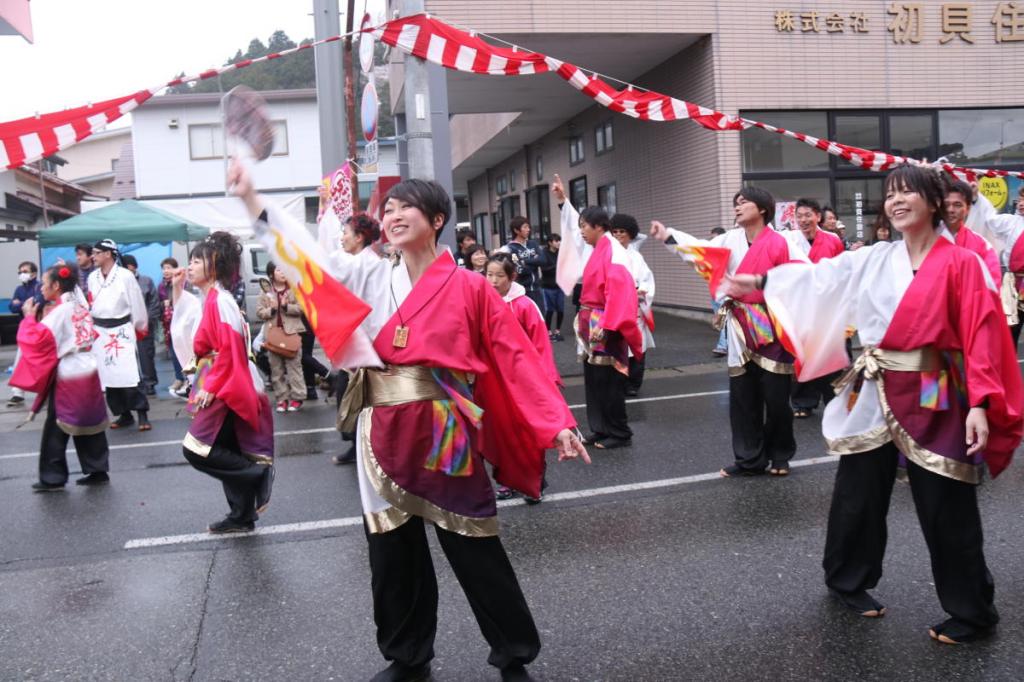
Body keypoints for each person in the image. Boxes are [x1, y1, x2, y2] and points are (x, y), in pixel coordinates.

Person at [231, 158, 587, 682]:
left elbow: (515, 358)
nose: (393, 214)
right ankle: (408, 656)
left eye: (406, 206)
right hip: (379, 427)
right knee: (391, 550)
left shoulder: (470, 287)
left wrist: (554, 422)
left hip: (444, 424)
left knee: (471, 540)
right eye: (390, 208)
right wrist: (253, 203)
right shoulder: (369, 272)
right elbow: (305, 260)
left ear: (437, 218)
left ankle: (514, 651)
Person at [724, 164, 1022, 645]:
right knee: (856, 492)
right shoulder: (874, 258)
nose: (897, 201)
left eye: (908, 192)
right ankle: (847, 579)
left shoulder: (962, 263)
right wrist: (759, 284)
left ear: (931, 202)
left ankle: (972, 610)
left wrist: (981, 403)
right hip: (872, 381)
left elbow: (982, 333)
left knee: (945, 498)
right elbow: (818, 280)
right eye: (890, 194)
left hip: (932, 384)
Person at [651, 185, 807, 477]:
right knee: (743, 396)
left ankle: (780, 455)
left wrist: (764, 282)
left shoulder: (782, 242)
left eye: (744, 202)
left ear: (762, 208)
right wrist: (668, 236)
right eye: (736, 202)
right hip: (738, 325)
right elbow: (700, 251)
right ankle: (749, 458)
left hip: (772, 325)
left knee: (776, 399)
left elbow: (803, 274)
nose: (737, 206)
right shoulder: (729, 239)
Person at [171, 232, 275, 534]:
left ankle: (254, 473)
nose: (189, 267)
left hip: (226, 380)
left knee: (196, 448)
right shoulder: (212, 298)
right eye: (189, 261)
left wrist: (210, 386)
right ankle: (241, 514)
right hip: (224, 378)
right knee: (227, 444)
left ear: (214, 265)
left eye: (196, 261)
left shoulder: (220, 301)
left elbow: (229, 351)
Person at [553, 174, 642, 450]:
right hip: (591, 318)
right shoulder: (597, 246)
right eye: (580, 226)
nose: (580, 231)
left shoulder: (613, 251)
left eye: (584, 226)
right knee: (593, 378)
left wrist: (609, 322)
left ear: (599, 227)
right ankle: (600, 428)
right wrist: (563, 202)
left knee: (610, 378)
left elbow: (621, 291)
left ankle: (619, 431)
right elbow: (573, 230)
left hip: (605, 321)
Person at [11, 264, 111, 492]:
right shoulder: (79, 305)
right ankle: (97, 468)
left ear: (56, 286)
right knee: (89, 420)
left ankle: (52, 476)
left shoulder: (61, 310)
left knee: (57, 423)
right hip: (89, 367)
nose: (42, 288)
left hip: (69, 372)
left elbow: (37, 339)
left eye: (45, 284)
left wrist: (28, 318)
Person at [485, 253, 561, 503]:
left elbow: (540, 345)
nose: (493, 281)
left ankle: (535, 480)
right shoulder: (483, 303)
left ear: (512, 277)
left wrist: (544, 379)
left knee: (529, 434)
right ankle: (507, 480)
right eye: (489, 275)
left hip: (524, 380)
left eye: (499, 276)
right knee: (502, 432)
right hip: (494, 379)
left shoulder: (525, 305)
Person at [332, 212, 383, 466]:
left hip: (367, 342)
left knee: (355, 396)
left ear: (360, 237)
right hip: (356, 340)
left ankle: (364, 446)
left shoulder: (366, 263)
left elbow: (331, 263)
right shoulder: (363, 261)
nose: (342, 238)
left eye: (346, 234)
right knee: (349, 394)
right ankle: (357, 445)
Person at [789, 198, 845, 419]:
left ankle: (835, 400)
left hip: (827, 307)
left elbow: (842, 272)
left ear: (817, 217)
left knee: (831, 355)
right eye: (799, 216)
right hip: (801, 307)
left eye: (807, 215)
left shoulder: (832, 240)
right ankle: (803, 401)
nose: (803, 220)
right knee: (803, 356)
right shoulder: (790, 241)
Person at [87, 240, 151, 431]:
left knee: (130, 372)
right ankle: (123, 414)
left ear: (108, 254)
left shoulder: (125, 276)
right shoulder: (92, 277)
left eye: (97, 252)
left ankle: (141, 413)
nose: (93, 256)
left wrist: (140, 325)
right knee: (108, 374)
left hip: (121, 328)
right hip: (101, 330)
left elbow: (136, 302)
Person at [610, 214, 656, 397]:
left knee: (637, 346)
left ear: (630, 234)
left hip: (635, 308)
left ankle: (634, 383)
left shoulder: (636, 256)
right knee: (618, 347)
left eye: (622, 231)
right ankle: (619, 380)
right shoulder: (609, 255)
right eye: (615, 231)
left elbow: (647, 279)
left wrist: (642, 291)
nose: (619, 235)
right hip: (617, 309)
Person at [257, 262, 306, 413]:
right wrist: (271, 309)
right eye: (279, 270)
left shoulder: (294, 289)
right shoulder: (265, 292)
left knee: (294, 367)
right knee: (276, 369)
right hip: (273, 334)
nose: (283, 272)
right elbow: (259, 312)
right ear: (271, 274)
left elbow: (302, 308)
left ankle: (297, 397)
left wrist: (286, 306)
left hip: (291, 333)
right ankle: (281, 399)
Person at [941, 180, 1001, 285]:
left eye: (957, 205)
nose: (951, 209)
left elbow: (992, 283)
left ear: (968, 208)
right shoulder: (925, 239)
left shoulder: (982, 245)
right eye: (946, 204)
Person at [121, 254, 161, 396]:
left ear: (132, 266)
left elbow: (154, 303)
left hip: (143, 326)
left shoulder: (146, 281)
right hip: (125, 326)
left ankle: (150, 383)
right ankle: (136, 383)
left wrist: (145, 321)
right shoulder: (120, 282)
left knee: (146, 356)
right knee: (128, 356)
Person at [7, 261, 44, 407]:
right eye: (19, 272)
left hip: (39, 329)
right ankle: (17, 393)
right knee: (19, 362)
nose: (22, 274)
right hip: (25, 330)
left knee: (41, 363)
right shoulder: (19, 289)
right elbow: (12, 307)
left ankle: (45, 391)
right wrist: (25, 304)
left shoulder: (40, 286)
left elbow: (38, 303)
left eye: (25, 271)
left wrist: (21, 303)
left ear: (34, 273)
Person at [500, 216, 545, 314]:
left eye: (528, 227)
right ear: (516, 230)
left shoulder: (533, 244)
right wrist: (534, 260)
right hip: (523, 291)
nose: (528, 230)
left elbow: (543, 260)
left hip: (537, 289)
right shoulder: (510, 248)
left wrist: (525, 261)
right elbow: (520, 270)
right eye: (525, 227)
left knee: (541, 318)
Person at [159, 258, 189, 397]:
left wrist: (171, 302)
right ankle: (179, 378)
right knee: (173, 352)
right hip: (168, 324)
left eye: (169, 268)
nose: (166, 271)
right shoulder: (161, 286)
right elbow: (156, 303)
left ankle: (188, 379)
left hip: (183, 322)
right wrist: (163, 305)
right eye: (164, 268)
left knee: (185, 351)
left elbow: (187, 300)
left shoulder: (183, 282)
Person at [537, 233, 565, 340]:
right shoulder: (544, 253)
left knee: (561, 310)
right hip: (547, 286)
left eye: (559, 241)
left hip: (559, 286)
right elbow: (544, 269)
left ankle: (557, 331)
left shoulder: (560, 253)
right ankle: (548, 331)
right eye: (556, 241)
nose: (558, 243)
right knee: (549, 310)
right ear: (550, 243)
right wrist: (557, 266)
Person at [709, 227, 729, 356]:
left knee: (724, 319)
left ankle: (722, 346)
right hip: (715, 292)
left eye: (715, 237)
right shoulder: (713, 254)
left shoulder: (728, 252)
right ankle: (728, 344)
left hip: (724, 292)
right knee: (720, 321)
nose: (713, 240)